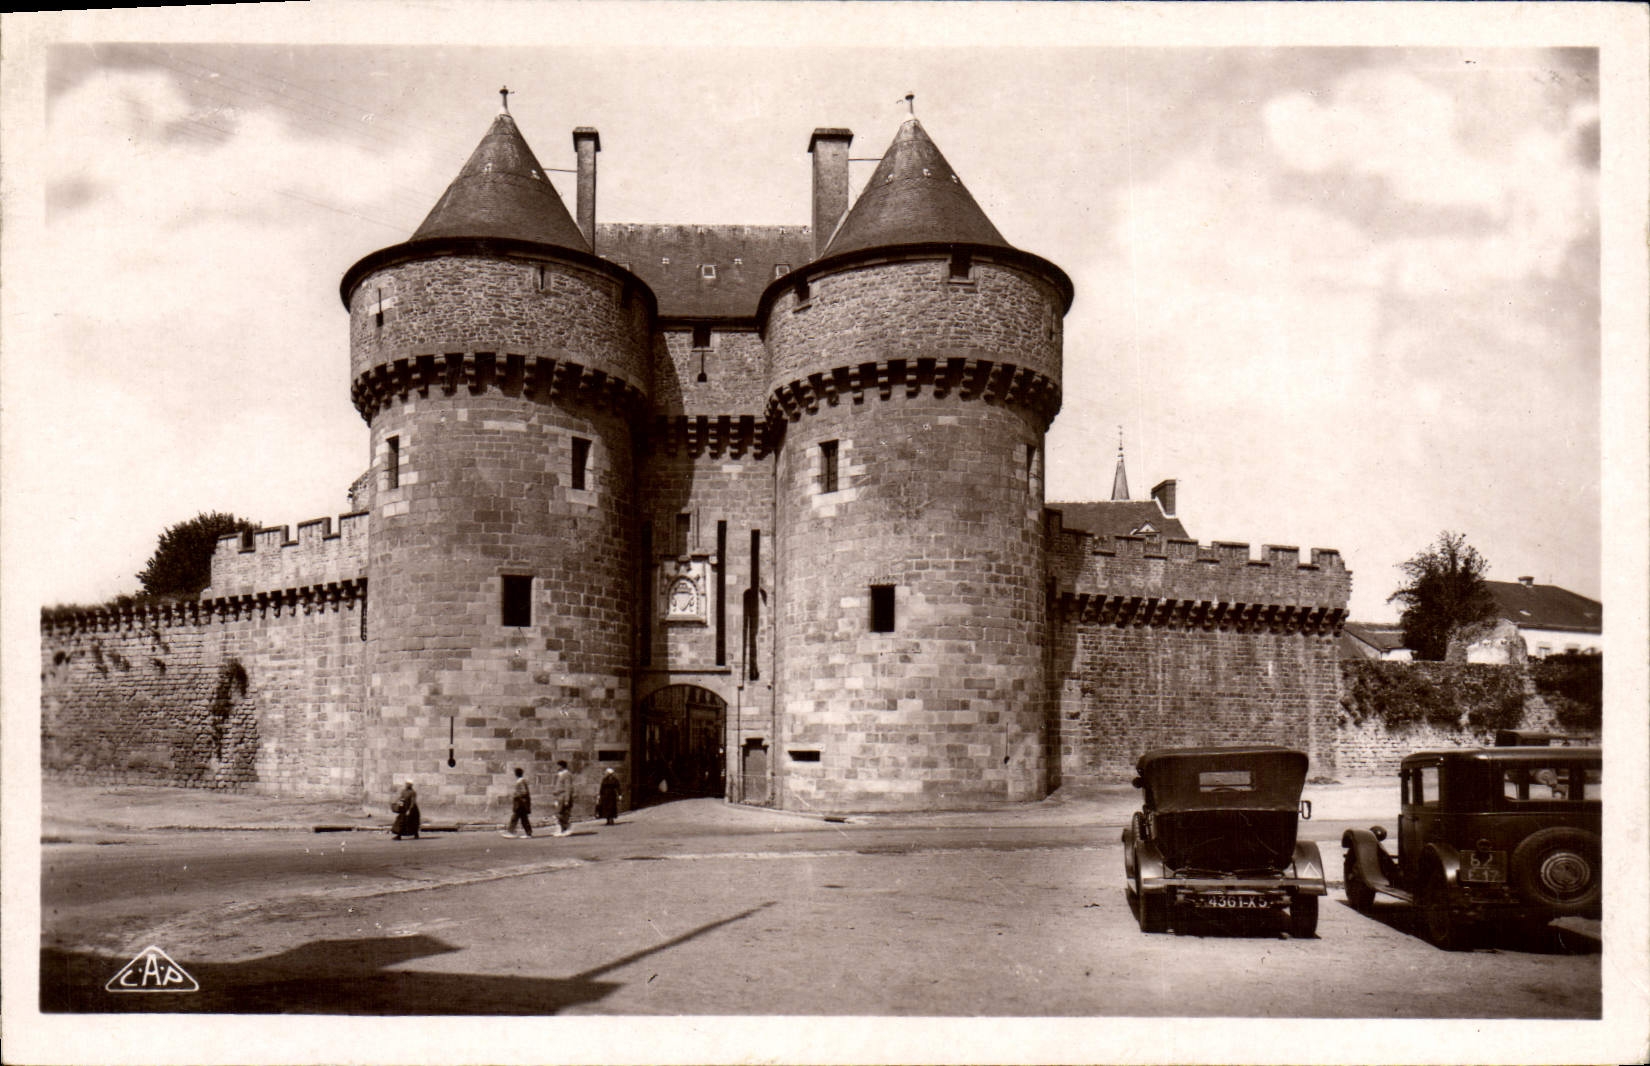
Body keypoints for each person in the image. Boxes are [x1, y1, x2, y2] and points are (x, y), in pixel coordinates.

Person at [505, 766, 533, 838]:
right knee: (524, 819)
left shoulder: (521, 781)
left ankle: (511, 832)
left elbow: (524, 792)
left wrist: (516, 795)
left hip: (521, 803)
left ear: (516, 774)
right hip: (521, 803)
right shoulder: (521, 781)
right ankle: (528, 833)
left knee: (515, 817)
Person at [553, 760, 575, 836]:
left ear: (561, 766)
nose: (556, 767)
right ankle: (562, 829)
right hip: (559, 796)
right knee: (559, 813)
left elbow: (568, 787)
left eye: (558, 766)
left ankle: (566, 829)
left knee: (563, 813)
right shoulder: (559, 775)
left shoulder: (567, 775)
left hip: (563, 796)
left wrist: (567, 799)